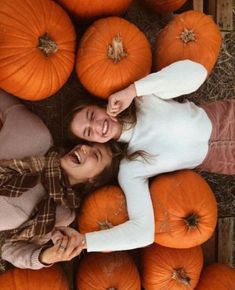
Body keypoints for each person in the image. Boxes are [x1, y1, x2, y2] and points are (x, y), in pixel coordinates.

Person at [65, 59, 235, 253]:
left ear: (99, 106)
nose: (96, 126)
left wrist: (134, 90)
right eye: (89, 132)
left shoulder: (143, 98)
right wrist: (85, 242)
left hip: (225, 118)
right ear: (93, 142)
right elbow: (142, 233)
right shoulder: (130, 168)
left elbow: (197, 72)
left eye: (92, 115)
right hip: (224, 159)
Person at [0, 89, 121, 269]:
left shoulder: (60, 214)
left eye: (95, 155)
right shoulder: (36, 136)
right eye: (87, 142)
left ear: (93, 180)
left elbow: (10, 249)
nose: (83, 149)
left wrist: (46, 256)